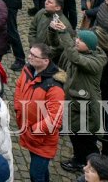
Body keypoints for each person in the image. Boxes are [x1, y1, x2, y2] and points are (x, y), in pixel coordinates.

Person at [50, 18, 106, 173]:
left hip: (87, 110)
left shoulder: (95, 61)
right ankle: (79, 159)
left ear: (89, 45)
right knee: (75, 136)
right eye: (77, 38)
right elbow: (57, 46)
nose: (77, 41)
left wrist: (64, 33)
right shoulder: (80, 51)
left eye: (80, 40)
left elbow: (75, 58)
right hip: (74, 104)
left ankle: (94, 167)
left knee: (86, 141)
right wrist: (55, 31)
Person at [13, 42, 64, 182]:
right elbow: (19, 86)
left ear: (46, 61)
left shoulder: (54, 87)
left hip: (42, 139)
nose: (29, 57)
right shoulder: (28, 69)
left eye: (34, 56)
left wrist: (34, 130)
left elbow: (54, 119)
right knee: (40, 171)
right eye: (30, 53)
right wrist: (18, 107)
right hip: (28, 131)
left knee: (36, 175)